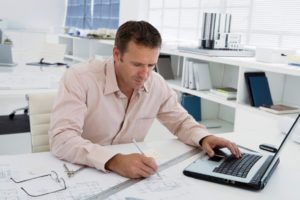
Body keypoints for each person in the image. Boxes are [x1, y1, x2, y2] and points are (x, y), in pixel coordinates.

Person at [49, 20, 241, 179]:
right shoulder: (79, 78)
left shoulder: (156, 83)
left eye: (151, 65)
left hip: (129, 175)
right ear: (117, 55)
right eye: (137, 64)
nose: (145, 74)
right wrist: (114, 160)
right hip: (81, 171)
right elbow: (61, 138)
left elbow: (181, 122)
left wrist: (204, 137)